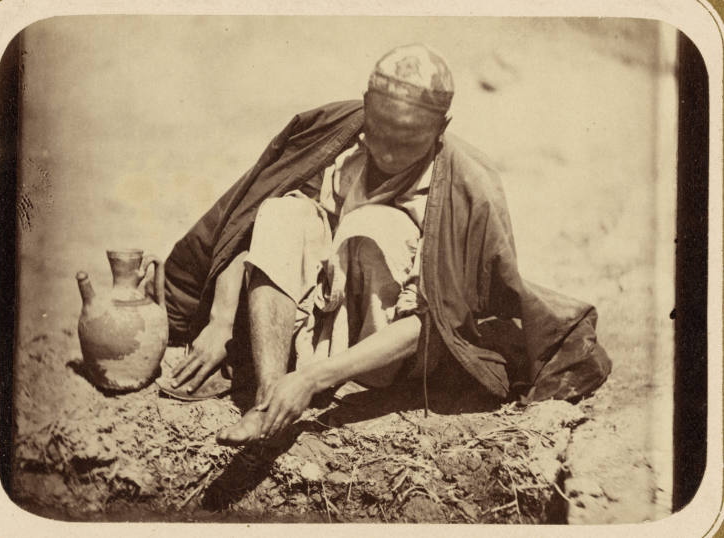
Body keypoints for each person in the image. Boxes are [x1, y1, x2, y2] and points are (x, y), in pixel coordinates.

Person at [162, 44, 612, 446]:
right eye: (379, 134)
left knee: (372, 226)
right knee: (282, 211)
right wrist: (222, 320)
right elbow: (246, 228)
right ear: (365, 108)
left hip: (384, 357)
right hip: (317, 328)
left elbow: (435, 322)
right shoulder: (338, 140)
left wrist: (314, 377)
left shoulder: (467, 187)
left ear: (442, 127)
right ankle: (268, 398)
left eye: (408, 143)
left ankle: (308, 387)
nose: (390, 155)